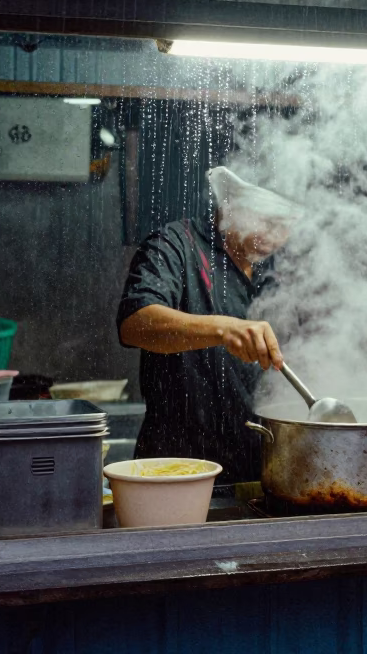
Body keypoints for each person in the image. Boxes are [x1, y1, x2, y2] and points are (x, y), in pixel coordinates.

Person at [117, 167, 300, 484]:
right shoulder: (175, 245)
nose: (276, 237)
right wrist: (224, 329)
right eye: (268, 222)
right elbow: (135, 323)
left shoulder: (276, 272)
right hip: (179, 468)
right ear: (232, 206)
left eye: (286, 226)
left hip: (259, 474)